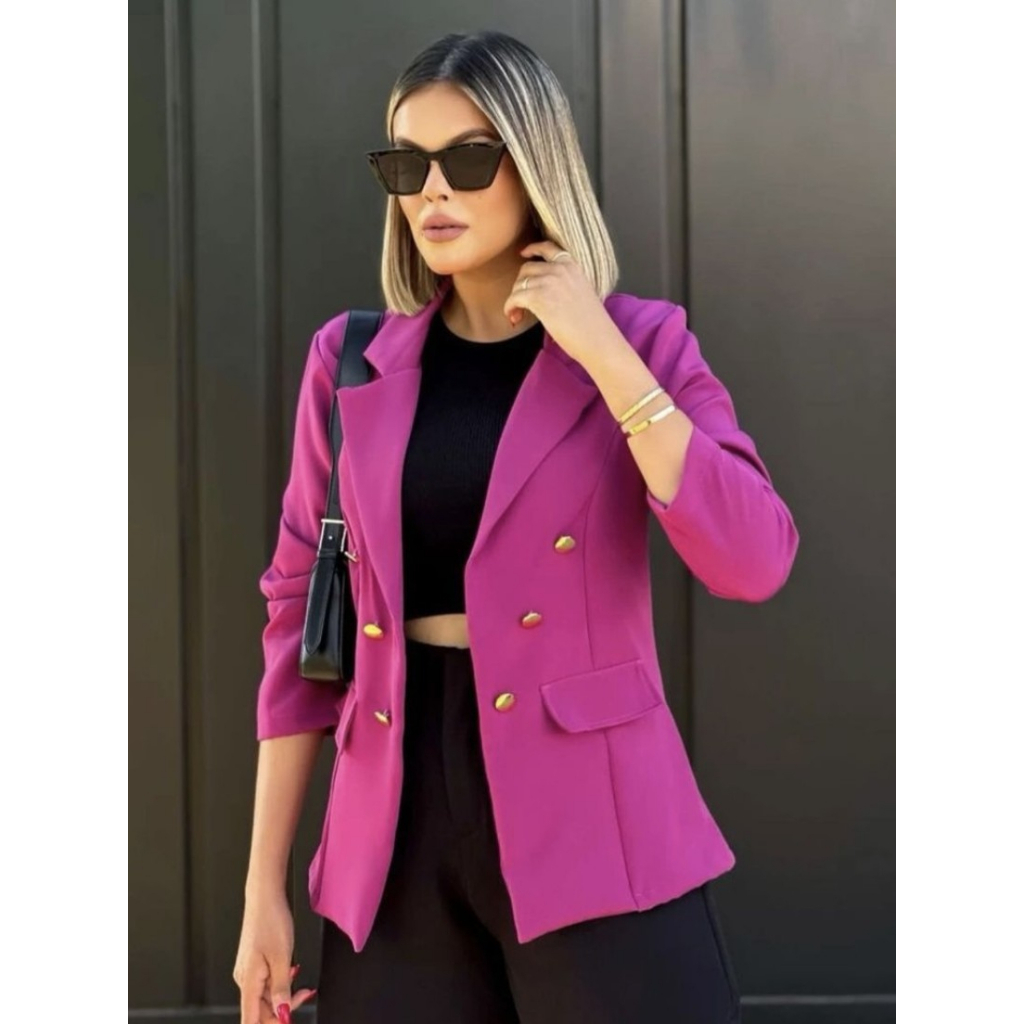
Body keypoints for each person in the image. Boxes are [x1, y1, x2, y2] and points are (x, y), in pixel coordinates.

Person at [233, 29, 798, 1024]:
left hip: (595, 816)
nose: (431, 192)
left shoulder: (643, 341)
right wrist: (261, 888)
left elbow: (753, 558)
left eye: (467, 160)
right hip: (393, 826)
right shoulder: (350, 362)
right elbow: (295, 618)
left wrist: (605, 352)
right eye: (407, 165)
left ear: (533, 164)